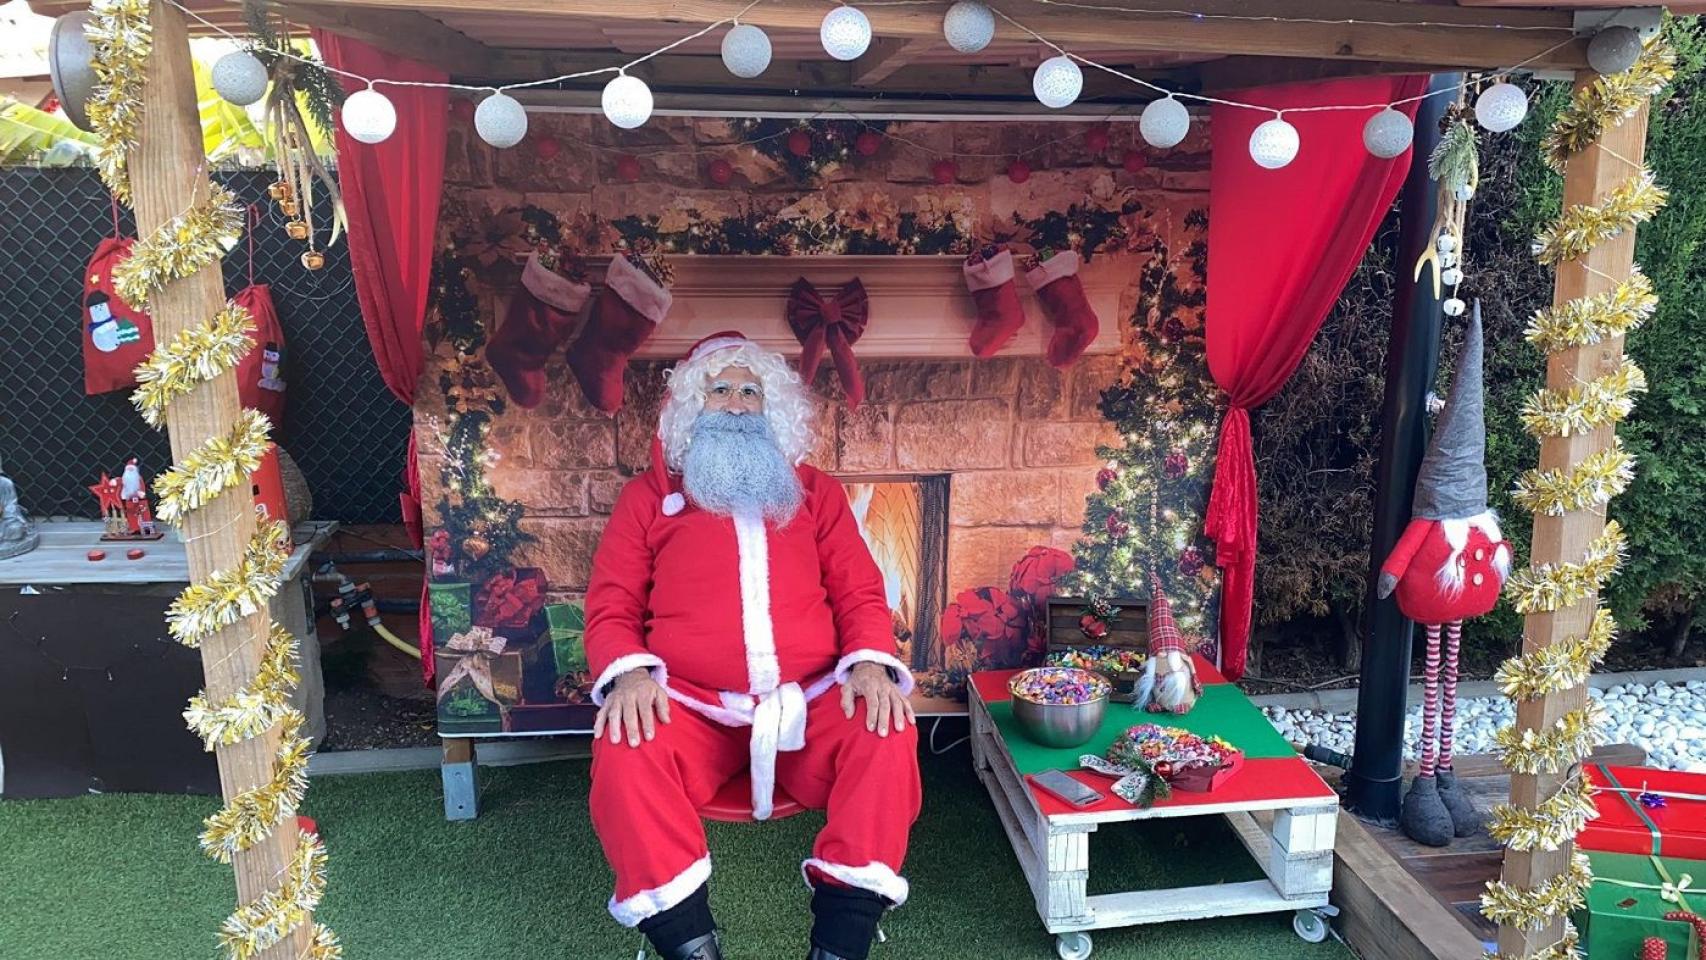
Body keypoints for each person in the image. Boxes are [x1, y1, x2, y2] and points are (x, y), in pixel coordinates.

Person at [585, 332, 922, 960]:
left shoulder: (815, 493)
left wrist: (872, 663)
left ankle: (841, 941)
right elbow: (611, 606)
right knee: (625, 743)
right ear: (691, 406)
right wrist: (629, 676)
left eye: (750, 391)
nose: (737, 405)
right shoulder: (646, 501)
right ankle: (688, 942)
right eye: (720, 391)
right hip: (688, 707)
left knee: (887, 727)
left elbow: (860, 593)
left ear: (773, 409)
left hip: (810, 704)